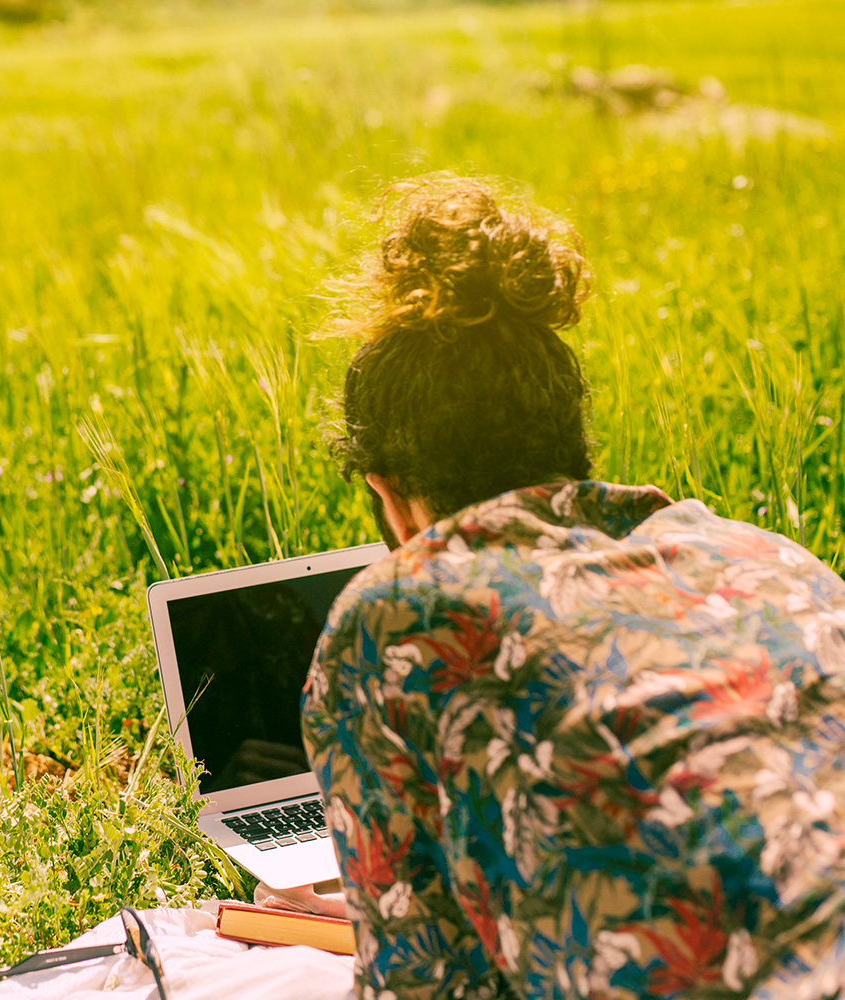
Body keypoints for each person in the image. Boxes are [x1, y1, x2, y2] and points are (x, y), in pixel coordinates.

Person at [300, 175, 845, 1000]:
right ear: (569, 436)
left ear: (389, 494)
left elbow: (429, 987)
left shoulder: (395, 618)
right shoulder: (766, 558)